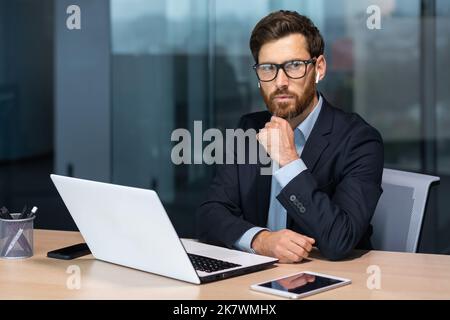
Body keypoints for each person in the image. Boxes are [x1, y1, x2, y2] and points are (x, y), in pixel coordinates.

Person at [196, 10, 384, 262]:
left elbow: (340, 239)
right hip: (259, 278)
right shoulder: (248, 128)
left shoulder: (359, 140)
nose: (280, 81)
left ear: (319, 68)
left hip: (331, 282)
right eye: (268, 68)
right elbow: (211, 213)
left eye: (294, 65)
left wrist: (289, 161)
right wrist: (261, 241)